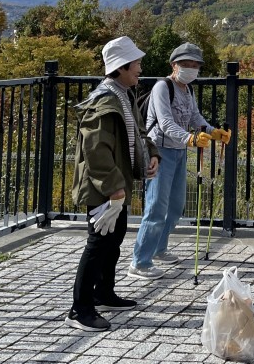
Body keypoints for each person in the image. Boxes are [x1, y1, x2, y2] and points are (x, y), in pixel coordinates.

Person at [67, 35, 160, 332]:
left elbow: (139, 131)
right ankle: (79, 309)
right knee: (98, 244)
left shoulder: (123, 93)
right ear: (121, 67)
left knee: (114, 239)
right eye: (136, 63)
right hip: (102, 186)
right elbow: (96, 150)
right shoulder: (105, 99)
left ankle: (103, 293)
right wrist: (113, 188)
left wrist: (152, 154)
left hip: (114, 184)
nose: (140, 68)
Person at [129, 42, 231, 278]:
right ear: (174, 65)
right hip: (160, 152)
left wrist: (213, 131)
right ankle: (140, 262)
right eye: (186, 64)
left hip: (179, 151)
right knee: (156, 207)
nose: (191, 69)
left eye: (195, 65)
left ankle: (159, 249)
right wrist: (191, 138)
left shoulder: (187, 89)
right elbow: (164, 123)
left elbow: (194, 117)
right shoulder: (162, 87)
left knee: (175, 207)